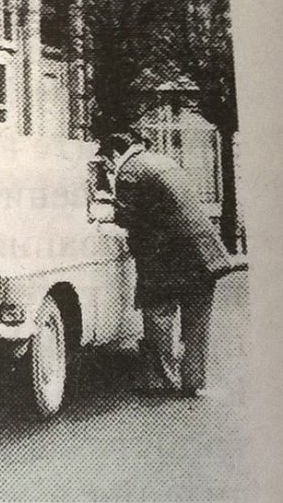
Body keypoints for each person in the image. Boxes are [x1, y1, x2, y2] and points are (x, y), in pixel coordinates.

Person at [98, 130, 234, 396]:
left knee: (158, 314)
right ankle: (193, 382)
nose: (109, 169)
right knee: (196, 321)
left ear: (115, 153)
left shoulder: (129, 170)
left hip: (168, 257)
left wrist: (105, 211)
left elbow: (127, 217)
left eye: (107, 163)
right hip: (204, 253)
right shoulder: (164, 161)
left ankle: (162, 383)